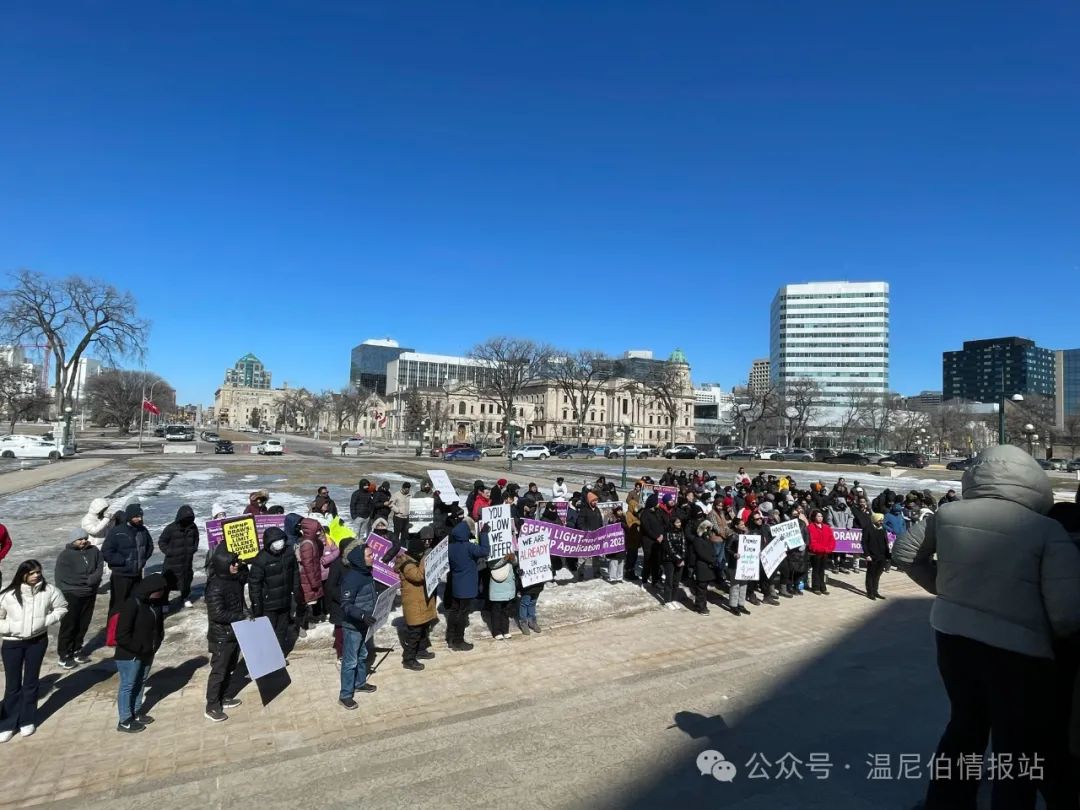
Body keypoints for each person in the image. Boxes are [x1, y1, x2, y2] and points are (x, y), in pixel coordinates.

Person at [893, 445, 1080, 809]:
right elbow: (1066, 611)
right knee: (1015, 743)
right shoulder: (1046, 530)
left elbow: (903, 552)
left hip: (952, 638)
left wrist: (943, 588)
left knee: (964, 727)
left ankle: (944, 802)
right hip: (1019, 653)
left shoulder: (946, 514)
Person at [0, 560, 67, 741]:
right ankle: (7, 724)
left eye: (38, 572)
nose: (36, 575)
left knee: (30, 683)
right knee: (13, 685)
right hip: (12, 643)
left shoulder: (49, 591)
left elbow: (62, 607)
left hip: (37, 642)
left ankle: (26, 720)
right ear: (22, 574)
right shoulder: (8, 594)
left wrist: (45, 621)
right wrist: (11, 627)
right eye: (31, 573)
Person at [114, 573, 166, 733]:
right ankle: (124, 720)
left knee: (140, 682)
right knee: (128, 685)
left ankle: (135, 712)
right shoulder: (132, 604)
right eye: (160, 590)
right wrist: (139, 648)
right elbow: (122, 635)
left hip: (147, 652)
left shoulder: (154, 604)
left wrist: (155, 644)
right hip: (130, 655)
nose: (162, 593)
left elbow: (158, 628)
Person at [204, 551, 247, 722]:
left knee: (230, 667)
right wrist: (240, 617)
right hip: (221, 636)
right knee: (219, 671)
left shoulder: (233, 581)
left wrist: (246, 613)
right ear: (223, 565)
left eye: (236, 563)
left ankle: (224, 697)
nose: (236, 565)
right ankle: (212, 706)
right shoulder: (215, 586)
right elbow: (217, 614)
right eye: (233, 563)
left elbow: (239, 603)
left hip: (235, 632)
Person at [102, 503, 154, 646]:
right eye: (137, 516)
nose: (140, 519)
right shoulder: (117, 531)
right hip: (121, 575)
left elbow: (149, 546)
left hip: (136, 574)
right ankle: (113, 636)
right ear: (130, 517)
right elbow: (107, 551)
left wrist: (142, 560)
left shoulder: (143, 531)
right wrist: (123, 562)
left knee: (135, 604)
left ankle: (130, 631)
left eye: (141, 516)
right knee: (118, 605)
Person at [53, 527, 104, 669]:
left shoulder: (93, 551)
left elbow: (100, 566)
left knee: (83, 623)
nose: (83, 541)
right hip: (72, 594)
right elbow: (63, 577)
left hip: (89, 593)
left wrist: (93, 580)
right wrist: (86, 581)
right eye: (80, 539)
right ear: (73, 540)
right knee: (69, 625)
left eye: (85, 539)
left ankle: (76, 649)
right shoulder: (65, 555)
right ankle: (64, 655)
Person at [339, 543, 377, 708]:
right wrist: (362, 615)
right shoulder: (351, 579)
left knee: (363, 655)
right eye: (369, 555)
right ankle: (345, 695)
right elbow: (346, 605)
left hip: (364, 625)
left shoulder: (367, 573)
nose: (372, 558)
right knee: (350, 661)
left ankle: (360, 683)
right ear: (360, 560)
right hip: (353, 627)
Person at [248, 527, 298, 652]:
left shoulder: (288, 553)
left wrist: (296, 592)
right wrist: (257, 606)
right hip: (268, 604)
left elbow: (295, 573)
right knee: (268, 631)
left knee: (282, 630)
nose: (279, 543)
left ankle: (279, 655)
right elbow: (254, 585)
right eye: (276, 541)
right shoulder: (261, 559)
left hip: (285, 601)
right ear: (269, 543)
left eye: (281, 539)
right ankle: (268, 657)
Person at [446, 511, 490, 651]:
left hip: (456, 585)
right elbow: (484, 551)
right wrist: (483, 534)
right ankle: (459, 641)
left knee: (454, 611)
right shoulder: (468, 547)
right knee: (462, 613)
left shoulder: (451, 547)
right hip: (466, 586)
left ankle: (451, 637)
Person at [394, 535, 437, 670]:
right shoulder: (407, 564)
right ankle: (408, 659)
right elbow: (418, 576)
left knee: (423, 628)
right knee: (415, 633)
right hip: (414, 603)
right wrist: (426, 558)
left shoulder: (414, 560)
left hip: (420, 601)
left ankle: (421, 650)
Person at [158, 505, 200, 609]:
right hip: (172, 562)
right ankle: (164, 602)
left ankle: (185, 598)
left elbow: (196, 539)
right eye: (185, 518)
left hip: (186, 560)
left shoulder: (193, 527)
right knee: (167, 582)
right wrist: (169, 552)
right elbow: (162, 541)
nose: (187, 521)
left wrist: (193, 549)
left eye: (189, 518)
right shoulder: (171, 528)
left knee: (186, 580)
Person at [295, 518, 325, 635]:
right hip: (306, 578)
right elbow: (308, 565)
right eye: (316, 530)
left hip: (311, 576)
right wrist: (313, 582)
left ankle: (306, 621)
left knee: (310, 602)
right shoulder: (307, 544)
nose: (319, 532)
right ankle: (300, 626)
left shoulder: (313, 541)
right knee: (303, 603)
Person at [853, 509, 890, 600]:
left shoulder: (883, 529)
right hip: (872, 556)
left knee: (877, 575)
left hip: (882, 555)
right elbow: (864, 542)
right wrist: (867, 555)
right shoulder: (868, 528)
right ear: (875, 520)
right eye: (880, 520)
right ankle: (870, 592)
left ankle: (875, 591)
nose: (881, 522)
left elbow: (885, 543)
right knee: (871, 574)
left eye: (882, 520)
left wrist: (887, 555)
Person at [689, 522, 721, 615]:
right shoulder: (697, 540)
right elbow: (701, 553)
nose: (707, 531)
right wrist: (712, 560)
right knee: (701, 588)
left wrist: (714, 559)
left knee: (704, 588)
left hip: (708, 566)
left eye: (708, 529)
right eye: (706, 529)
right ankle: (701, 607)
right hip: (701, 566)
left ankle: (701, 605)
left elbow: (712, 550)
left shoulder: (707, 539)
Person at [725, 519, 751, 616]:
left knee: (744, 585)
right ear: (736, 526)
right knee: (735, 585)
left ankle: (741, 604)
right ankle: (733, 605)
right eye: (741, 524)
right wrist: (734, 554)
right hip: (735, 564)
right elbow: (727, 548)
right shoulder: (733, 536)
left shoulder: (746, 536)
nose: (743, 525)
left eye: (744, 523)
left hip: (745, 564)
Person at [806, 509, 836, 595]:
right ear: (814, 517)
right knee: (816, 570)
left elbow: (832, 540)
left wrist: (829, 549)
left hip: (825, 553)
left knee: (822, 570)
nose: (820, 518)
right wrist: (822, 549)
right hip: (815, 553)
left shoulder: (827, 527)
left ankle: (823, 587)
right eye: (818, 516)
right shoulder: (810, 527)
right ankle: (815, 587)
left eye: (821, 516)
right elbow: (812, 542)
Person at [488, 554, 516, 639]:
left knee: (506, 610)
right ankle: (496, 631)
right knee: (496, 610)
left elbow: (515, 563)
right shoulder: (493, 551)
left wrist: (513, 558)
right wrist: (504, 559)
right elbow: (492, 565)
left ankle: (505, 630)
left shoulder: (510, 548)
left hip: (509, 585)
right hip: (497, 585)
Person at [624, 482, 644, 581]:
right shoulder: (628, 515)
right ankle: (629, 572)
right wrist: (637, 522)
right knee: (631, 557)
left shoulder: (635, 515)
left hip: (636, 541)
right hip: (631, 541)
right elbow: (630, 525)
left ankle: (631, 571)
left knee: (634, 557)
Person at [389, 482, 412, 548]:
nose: (407, 491)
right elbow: (390, 504)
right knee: (396, 533)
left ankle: (402, 548)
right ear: (403, 488)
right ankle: (394, 546)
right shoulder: (396, 494)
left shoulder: (410, 495)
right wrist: (397, 510)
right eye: (406, 489)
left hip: (406, 517)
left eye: (408, 489)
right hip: (398, 517)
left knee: (404, 534)